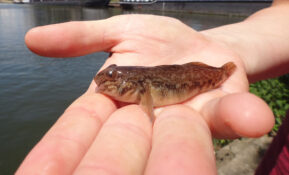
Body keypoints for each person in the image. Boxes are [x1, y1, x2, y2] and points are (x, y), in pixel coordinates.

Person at [16, 0, 289, 174]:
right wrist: (234, 45)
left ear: (137, 86)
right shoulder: (131, 81)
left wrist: (225, 64)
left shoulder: (143, 87)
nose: (109, 83)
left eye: (116, 82)